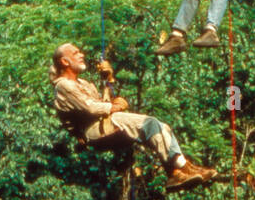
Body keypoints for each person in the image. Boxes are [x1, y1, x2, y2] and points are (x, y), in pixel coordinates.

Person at [50, 43, 216, 191]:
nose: (81, 55)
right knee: (149, 123)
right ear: (65, 62)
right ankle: (182, 167)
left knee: (162, 126)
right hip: (94, 131)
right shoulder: (64, 85)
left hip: (103, 125)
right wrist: (114, 106)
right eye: (76, 53)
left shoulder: (83, 84)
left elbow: (102, 104)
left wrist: (108, 81)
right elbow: (91, 108)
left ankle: (177, 170)